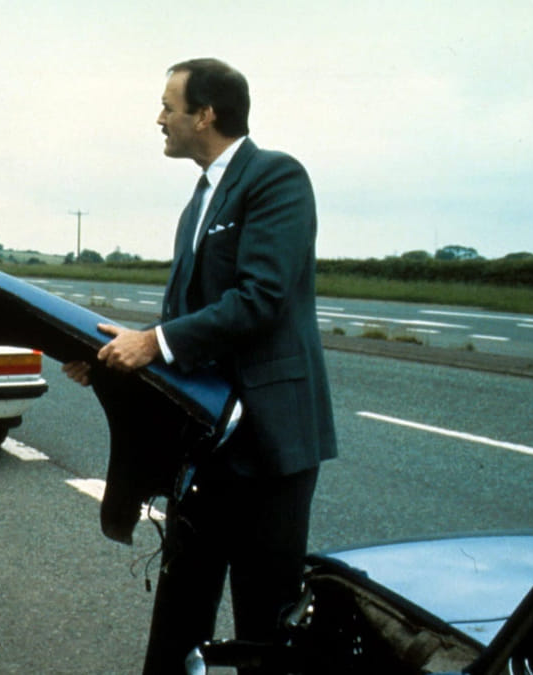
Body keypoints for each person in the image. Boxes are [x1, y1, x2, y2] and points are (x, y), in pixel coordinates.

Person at [63, 58, 337, 674]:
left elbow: (260, 298)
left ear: (206, 114)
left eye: (168, 106)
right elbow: (186, 320)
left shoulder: (276, 177)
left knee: (264, 621)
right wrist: (116, 359)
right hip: (207, 439)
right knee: (181, 602)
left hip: (269, 442)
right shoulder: (201, 198)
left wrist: (153, 343)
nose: (159, 118)